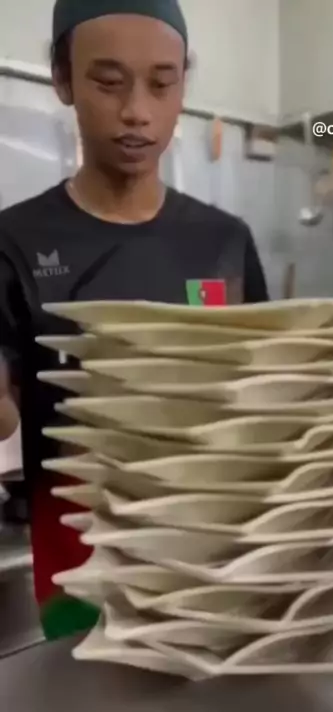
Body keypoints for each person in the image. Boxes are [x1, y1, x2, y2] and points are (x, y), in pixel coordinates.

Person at [0, 0, 269, 638]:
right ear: (63, 79)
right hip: (80, 567)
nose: (137, 112)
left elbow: (263, 399)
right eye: (108, 82)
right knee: (89, 700)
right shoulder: (14, 241)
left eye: (161, 84)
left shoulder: (225, 241)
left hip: (216, 556)